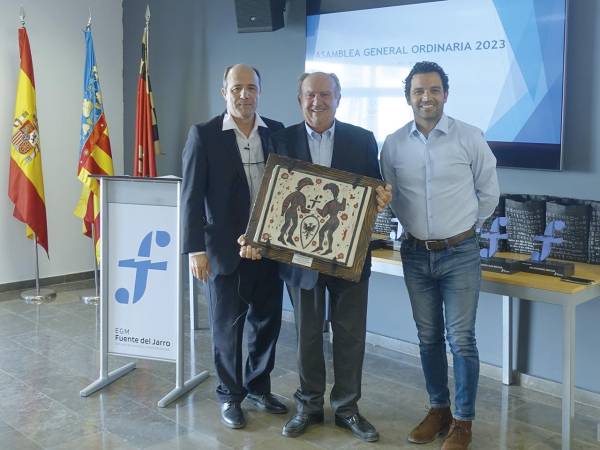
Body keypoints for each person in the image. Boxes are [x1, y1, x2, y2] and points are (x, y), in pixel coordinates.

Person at [241, 72, 392, 443]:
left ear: (338, 99)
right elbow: (271, 199)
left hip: (348, 260)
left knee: (351, 335)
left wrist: (381, 199)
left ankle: (346, 409)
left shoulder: (362, 139)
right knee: (308, 335)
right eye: (310, 95)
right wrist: (257, 234)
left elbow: (373, 196)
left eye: (325, 94)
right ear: (299, 99)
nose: (317, 102)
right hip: (298, 261)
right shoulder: (281, 140)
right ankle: (308, 406)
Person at [380, 61, 499, 450]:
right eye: (418, 91)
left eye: (433, 90)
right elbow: (390, 199)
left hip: (460, 252)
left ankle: (463, 422)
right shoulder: (394, 144)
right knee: (428, 337)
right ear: (408, 97)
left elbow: (489, 194)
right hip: (415, 254)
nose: (426, 97)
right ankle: (438, 409)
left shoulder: (469, 137)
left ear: (445, 93)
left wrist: (467, 231)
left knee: (461, 340)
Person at [181, 63, 287, 429]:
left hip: (270, 249)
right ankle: (230, 396)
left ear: (260, 91)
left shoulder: (277, 132)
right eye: (237, 88)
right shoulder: (204, 135)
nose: (245, 95)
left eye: (251, 88)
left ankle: (259, 386)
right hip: (224, 253)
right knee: (227, 328)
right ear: (223, 92)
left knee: (266, 322)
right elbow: (190, 197)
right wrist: (194, 250)